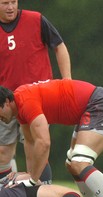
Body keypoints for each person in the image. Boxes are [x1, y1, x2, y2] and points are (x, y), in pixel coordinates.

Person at [0, 0, 72, 184]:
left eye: (13, 2)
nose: (10, 7)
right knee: (2, 152)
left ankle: (42, 196)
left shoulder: (36, 19)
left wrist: (67, 81)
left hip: (35, 99)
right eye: (4, 3)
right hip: (5, 102)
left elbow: (59, 46)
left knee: (36, 148)